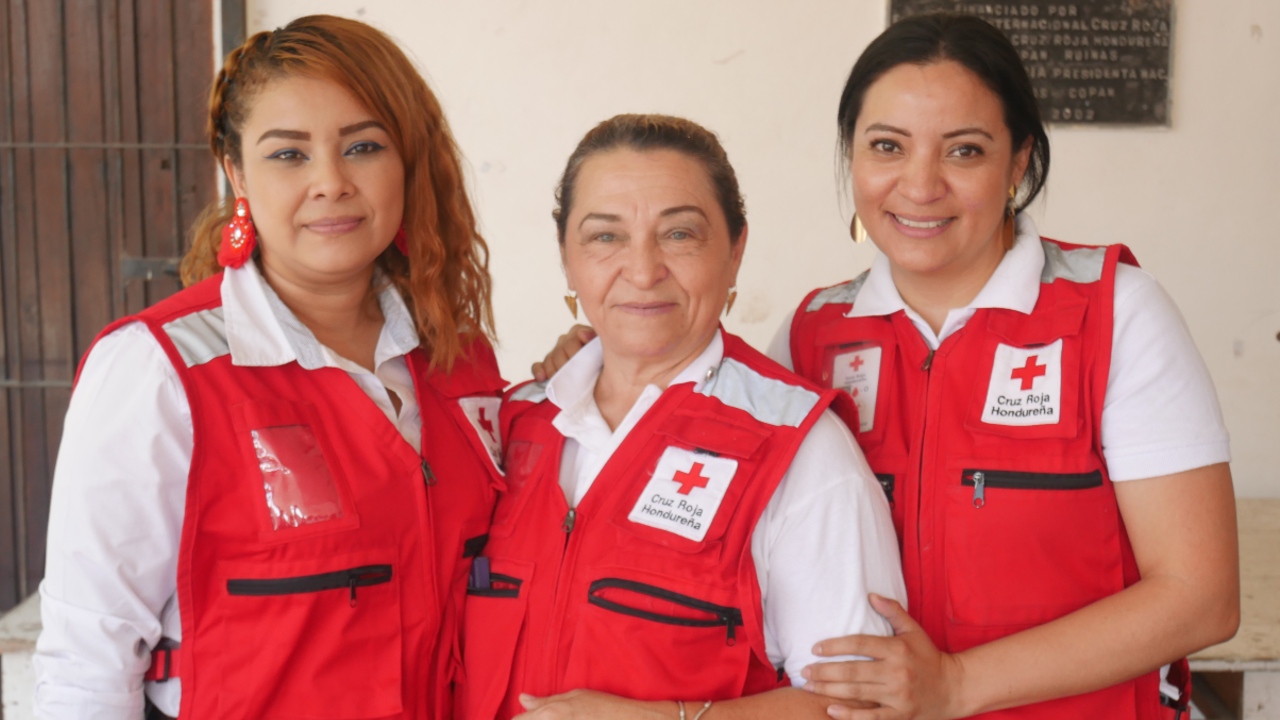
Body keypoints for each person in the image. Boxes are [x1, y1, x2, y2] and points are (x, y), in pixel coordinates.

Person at [536, 14, 1239, 720]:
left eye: (964, 151)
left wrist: (958, 684)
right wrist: (598, 356)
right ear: (853, 158)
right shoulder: (815, 334)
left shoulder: (1112, 314)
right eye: (886, 147)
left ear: (1019, 161)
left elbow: (1199, 596)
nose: (920, 184)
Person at [34, 16, 504, 720]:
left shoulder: (459, 361)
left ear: (407, 160)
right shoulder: (159, 370)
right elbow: (88, 659)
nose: (331, 183)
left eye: (364, 146)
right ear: (235, 173)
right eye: (289, 155)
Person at [457, 114, 906, 720]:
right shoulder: (512, 427)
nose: (642, 272)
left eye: (679, 235)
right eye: (605, 237)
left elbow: (867, 705)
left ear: (735, 250)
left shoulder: (800, 451)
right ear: (567, 257)